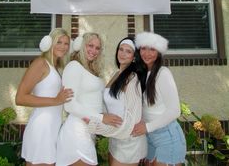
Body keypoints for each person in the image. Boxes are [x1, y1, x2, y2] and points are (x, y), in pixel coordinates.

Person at [56, 32, 121, 166]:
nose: (93, 51)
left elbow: (96, 100)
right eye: (90, 46)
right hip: (76, 132)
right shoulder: (74, 66)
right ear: (81, 46)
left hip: (89, 131)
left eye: (97, 48)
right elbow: (70, 106)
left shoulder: (93, 70)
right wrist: (102, 117)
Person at [15, 28, 73, 166]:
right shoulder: (40, 63)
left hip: (53, 127)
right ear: (49, 42)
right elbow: (20, 98)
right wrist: (56, 100)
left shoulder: (57, 67)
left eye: (66, 43)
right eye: (59, 42)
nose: (63, 47)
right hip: (42, 128)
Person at [86, 37, 147, 166]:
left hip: (129, 141)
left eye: (128, 51)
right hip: (115, 138)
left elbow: (133, 119)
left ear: (134, 57)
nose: (123, 53)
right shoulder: (116, 74)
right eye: (121, 49)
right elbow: (107, 107)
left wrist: (97, 124)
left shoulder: (133, 79)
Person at [132, 32, 186, 166]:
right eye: (144, 48)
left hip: (167, 136)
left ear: (159, 52)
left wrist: (147, 127)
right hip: (150, 137)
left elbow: (174, 111)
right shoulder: (143, 74)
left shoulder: (163, 73)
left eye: (152, 49)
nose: (147, 53)